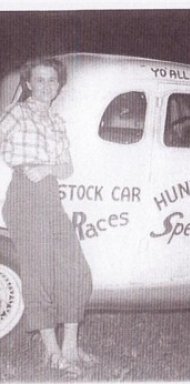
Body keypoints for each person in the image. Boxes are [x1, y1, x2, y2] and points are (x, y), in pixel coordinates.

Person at [0, 58, 97, 376]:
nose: (45, 86)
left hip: (50, 195)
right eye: (39, 80)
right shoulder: (17, 113)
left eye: (51, 80)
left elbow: (66, 168)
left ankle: (71, 345)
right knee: (39, 273)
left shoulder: (57, 121)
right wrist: (22, 165)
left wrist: (47, 168)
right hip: (25, 196)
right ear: (28, 84)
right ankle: (52, 352)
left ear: (58, 85)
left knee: (75, 270)